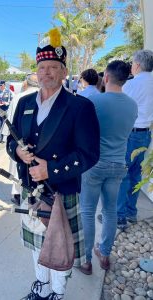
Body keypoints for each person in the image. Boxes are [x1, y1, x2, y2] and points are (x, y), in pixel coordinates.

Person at [6, 28, 100, 300]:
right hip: (30, 188)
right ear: (36, 70)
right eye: (42, 67)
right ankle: (41, 287)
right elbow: (11, 142)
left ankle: (57, 293)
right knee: (38, 245)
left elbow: (89, 154)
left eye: (53, 67)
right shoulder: (24, 102)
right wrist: (18, 154)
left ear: (63, 71)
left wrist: (52, 169)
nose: (46, 72)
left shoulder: (79, 107)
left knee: (60, 246)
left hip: (61, 191)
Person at [79, 60, 138, 275]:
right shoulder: (132, 105)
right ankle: (104, 254)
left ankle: (85, 261)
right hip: (118, 164)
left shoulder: (96, 102)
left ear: (106, 77)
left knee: (87, 210)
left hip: (94, 164)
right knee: (110, 210)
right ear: (125, 79)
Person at [116, 50, 153, 229]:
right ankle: (132, 212)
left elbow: (119, 108)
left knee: (123, 174)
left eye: (132, 62)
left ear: (137, 65)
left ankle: (120, 216)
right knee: (136, 173)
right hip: (146, 134)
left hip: (130, 133)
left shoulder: (130, 85)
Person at [5, 73, 39, 206]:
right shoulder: (22, 99)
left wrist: (7, 139)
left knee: (17, 166)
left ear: (27, 83)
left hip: (19, 140)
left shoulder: (19, 97)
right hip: (20, 143)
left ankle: (17, 193)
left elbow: (9, 119)